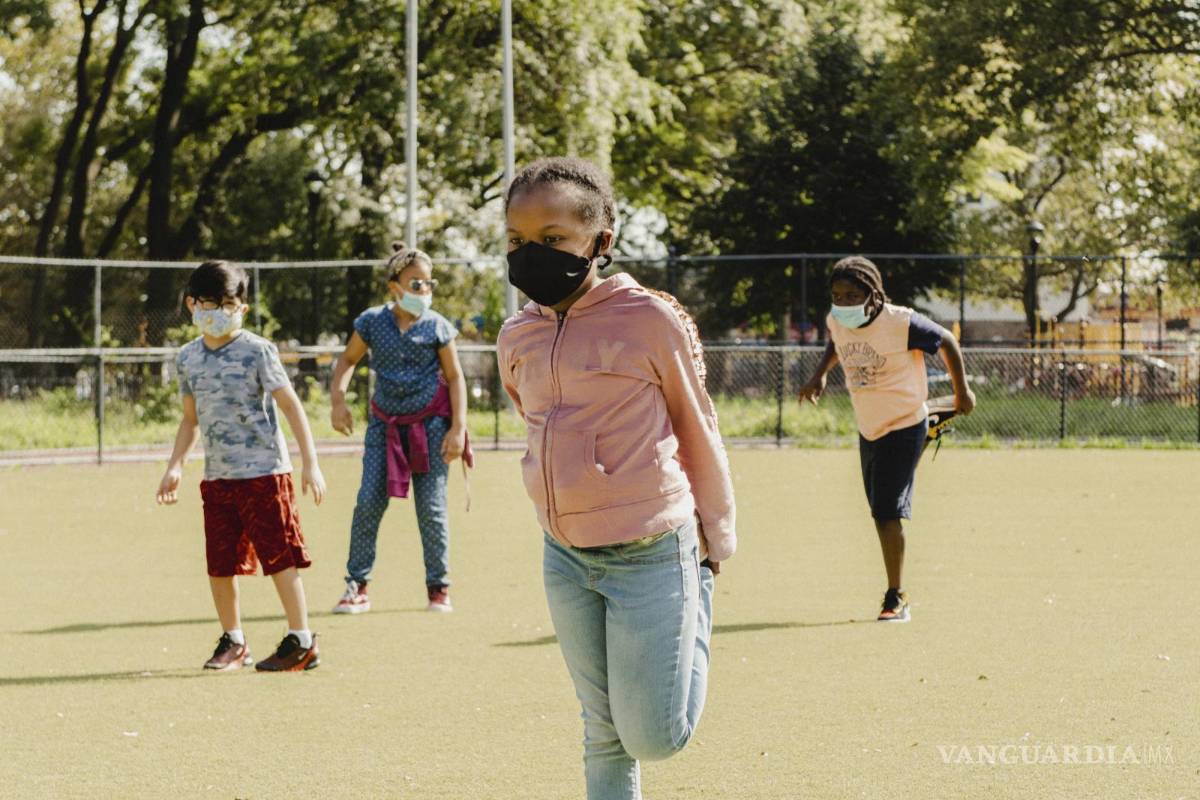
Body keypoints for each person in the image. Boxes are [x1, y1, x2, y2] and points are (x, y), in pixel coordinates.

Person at [497, 157, 736, 800]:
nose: (530, 254)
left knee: (655, 737)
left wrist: (716, 536)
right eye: (517, 240)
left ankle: (693, 599)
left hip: (652, 552)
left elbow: (696, 425)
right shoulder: (516, 334)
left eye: (552, 238)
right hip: (564, 556)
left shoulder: (650, 320)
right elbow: (536, 422)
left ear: (600, 241)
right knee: (602, 731)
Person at [156, 260, 326, 672]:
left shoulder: (258, 350)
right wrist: (175, 465)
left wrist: (310, 463)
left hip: (265, 473)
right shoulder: (187, 358)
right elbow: (190, 420)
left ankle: (301, 640)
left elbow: (291, 406)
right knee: (220, 562)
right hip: (218, 478)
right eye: (210, 304)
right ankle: (233, 640)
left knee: (279, 556)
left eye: (229, 304)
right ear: (192, 304)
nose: (220, 312)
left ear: (242, 308)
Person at [798, 256, 976, 622]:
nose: (843, 303)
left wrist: (963, 392)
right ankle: (933, 417)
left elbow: (946, 341)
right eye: (837, 296)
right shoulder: (837, 319)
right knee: (879, 505)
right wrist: (819, 375)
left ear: (873, 294)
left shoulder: (900, 322)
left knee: (886, 511)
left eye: (852, 296)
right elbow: (837, 341)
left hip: (903, 423)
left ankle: (897, 597)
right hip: (870, 427)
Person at [329, 242, 470, 614]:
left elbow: (455, 377)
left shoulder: (438, 327)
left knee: (431, 508)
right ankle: (356, 585)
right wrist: (338, 400)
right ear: (395, 287)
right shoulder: (372, 322)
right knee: (368, 502)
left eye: (428, 283)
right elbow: (347, 360)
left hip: (431, 428)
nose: (424, 290)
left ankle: (438, 587)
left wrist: (458, 428)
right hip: (384, 428)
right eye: (416, 283)